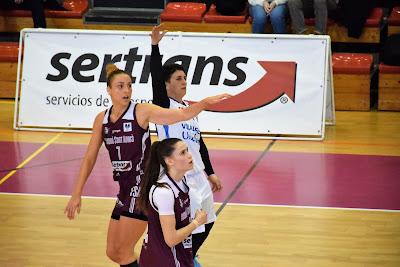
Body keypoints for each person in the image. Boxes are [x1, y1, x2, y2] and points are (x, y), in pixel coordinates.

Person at [64, 63, 229, 267]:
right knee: (113, 252)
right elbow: (89, 158)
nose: (126, 91)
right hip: (124, 188)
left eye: (130, 86)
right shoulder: (102, 119)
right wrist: (76, 193)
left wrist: (203, 103)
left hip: (141, 187)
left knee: (124, 251)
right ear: (108, 89)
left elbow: (181, 115)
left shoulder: (142, 111)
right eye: (120, 86)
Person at [150, 24, 222, 267]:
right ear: (166, 84)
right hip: (180, 177)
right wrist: (155, 46)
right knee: (190, 225)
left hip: (198, 173)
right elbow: (155, 78)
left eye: (185, 78)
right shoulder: (163, 106)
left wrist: (210, 172)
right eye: (178, 78)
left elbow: (199, 143)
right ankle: (183, 260)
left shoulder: (190, 110)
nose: (184, 82)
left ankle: (190, 256)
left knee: (209, 220)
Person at [137, 138, 208, 267]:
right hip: (163, 260)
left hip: (179, 254)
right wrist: (196, 222)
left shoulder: (182, 181)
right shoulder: (164, 192)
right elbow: (171, 239)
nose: (189, 155)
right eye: (182, 153)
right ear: (169, 161)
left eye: (187, 150)